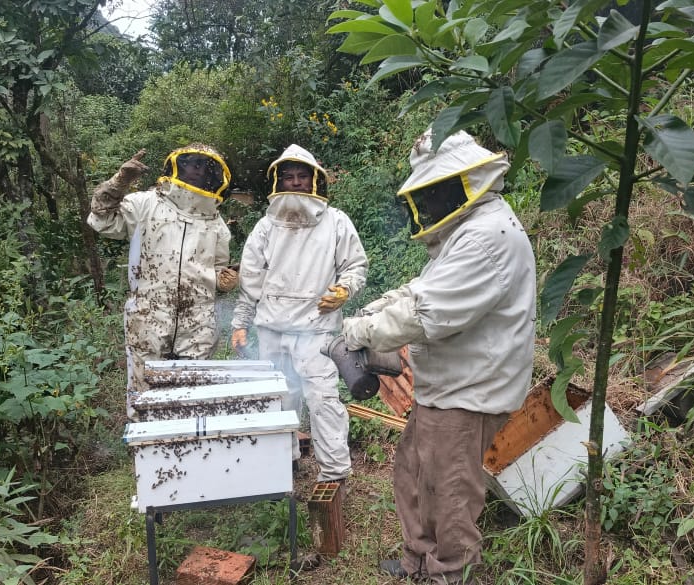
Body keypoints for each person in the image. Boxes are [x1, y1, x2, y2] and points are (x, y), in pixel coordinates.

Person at [340, 129, 536, 585]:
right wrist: (380, 304)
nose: (427, 203)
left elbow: (426, 313)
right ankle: (418, 561)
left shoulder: (486, 237)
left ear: (461, 182)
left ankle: (452, 573)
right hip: (449, 384)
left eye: (433, 191)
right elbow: (421, 290)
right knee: (414, 471)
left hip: (470, 390)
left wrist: (360, 329)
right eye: (423, 193)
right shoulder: (468, 230)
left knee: (449, 490)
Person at [230, 144, 367, 485]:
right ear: (279, 182)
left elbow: (355, 266)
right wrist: (240, 324)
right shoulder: (265, 227)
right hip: (272, 331)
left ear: (314, 181)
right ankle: (283, 464)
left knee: (323, 401)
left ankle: (334, 474)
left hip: (316, 332)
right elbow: (251, 281)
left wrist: (345, 290)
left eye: (301, 176)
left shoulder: (336, 222)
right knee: (279, 399)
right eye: (288, 177)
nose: (295, 183)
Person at [88, 145, 238, 415]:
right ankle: (146, 451)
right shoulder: (145, 203)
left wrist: (224, 279)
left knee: (192, 398)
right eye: (191, 163)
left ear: (213, 175)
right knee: (144, 394)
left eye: (203, 166)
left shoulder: (216, 223)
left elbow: (215, 269)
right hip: (148, 314)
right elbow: (102, 220)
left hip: (198, 320)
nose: (196, 170)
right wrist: (120, 181)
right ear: (176, 166)